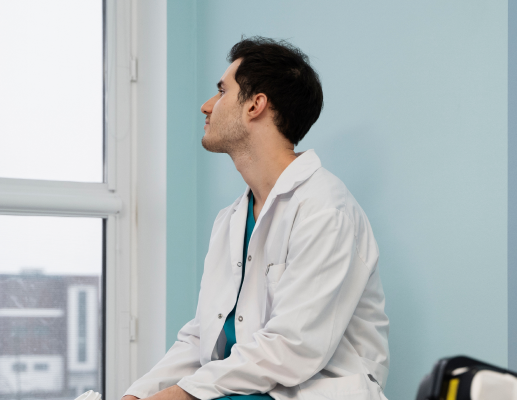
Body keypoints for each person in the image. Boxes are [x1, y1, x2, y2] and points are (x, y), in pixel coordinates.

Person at [122, 37, 390, 400]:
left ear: (255, 105)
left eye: (222, 91)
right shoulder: (230, 220)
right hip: (243, 391)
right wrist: (137, 395)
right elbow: (201, 337)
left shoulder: (325, 210)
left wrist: (182, 395)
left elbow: (291, 349)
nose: (206, 106)